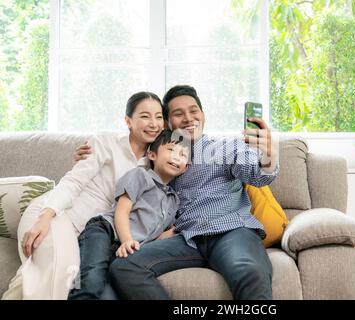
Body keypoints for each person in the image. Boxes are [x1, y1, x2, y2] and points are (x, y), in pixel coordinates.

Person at [75, 85, 280, 300]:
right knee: (125, 266)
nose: (188, 118)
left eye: (194, 111)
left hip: (229, 230)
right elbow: (123, 153)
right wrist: (90, 155)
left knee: (249, 272)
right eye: (178, 113)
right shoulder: (158, 156)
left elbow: (258, 175)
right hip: (186, 238)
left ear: (203, 115)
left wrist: (268, 156)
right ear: (167, 123)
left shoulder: (227, 147)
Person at [2, 92, 166, 300]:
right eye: (145, 116)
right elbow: (74, 181)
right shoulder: (106, 142)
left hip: (86, 234)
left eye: (159, 117)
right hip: (57, 215)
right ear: (128, 121)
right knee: (62, 275)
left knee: (32, 277)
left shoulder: (154, 164)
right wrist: (45, 217)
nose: (153, 123)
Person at [68, 130, 189, 300]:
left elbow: (160, 236)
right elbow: (122, 211)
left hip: (125, 252)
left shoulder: (174, 200)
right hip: (105, 232)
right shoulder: (140, 176)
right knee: (92, 279)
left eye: (183, 154)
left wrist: (184, 228)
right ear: (152, 155)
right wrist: (126, 241)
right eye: (170, 150)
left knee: (110, 294)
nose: (176, 156)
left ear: (186, 168)